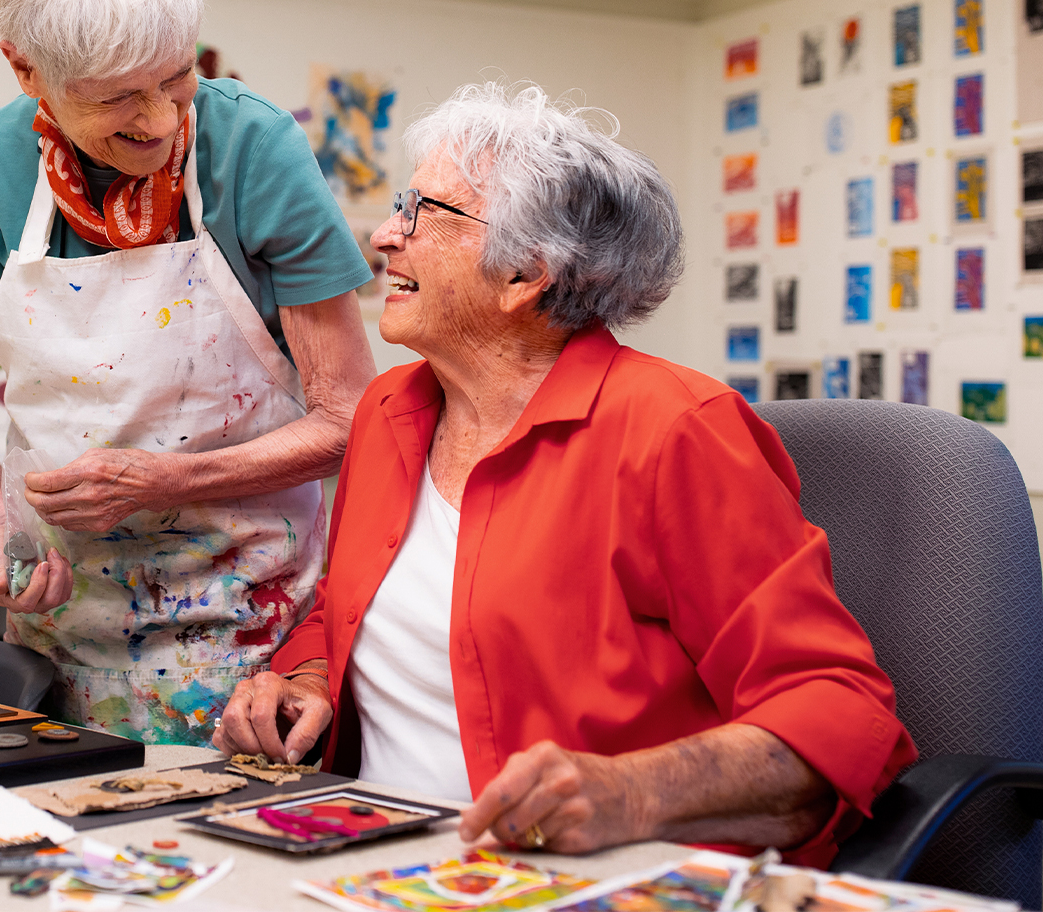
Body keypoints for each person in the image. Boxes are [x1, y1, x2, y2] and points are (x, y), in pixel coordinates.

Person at [212, 81, 917, 868]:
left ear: (525, 275)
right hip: (369, 855)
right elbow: (344, 610)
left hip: (577, 874)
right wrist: (304, 676)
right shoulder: (390, 411)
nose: (383, 236)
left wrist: (633, 791)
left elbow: (838, 713)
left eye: (422, 214)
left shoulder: (675, 429)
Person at [0, 0, 375, 746]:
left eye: (176, 78)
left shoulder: (252, 147)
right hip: (59, 619)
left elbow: (349, 417)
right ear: (25, 69)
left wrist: (162, 482)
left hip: (249, 624)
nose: (161, 120)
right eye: (118, 97)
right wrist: (1, 528)